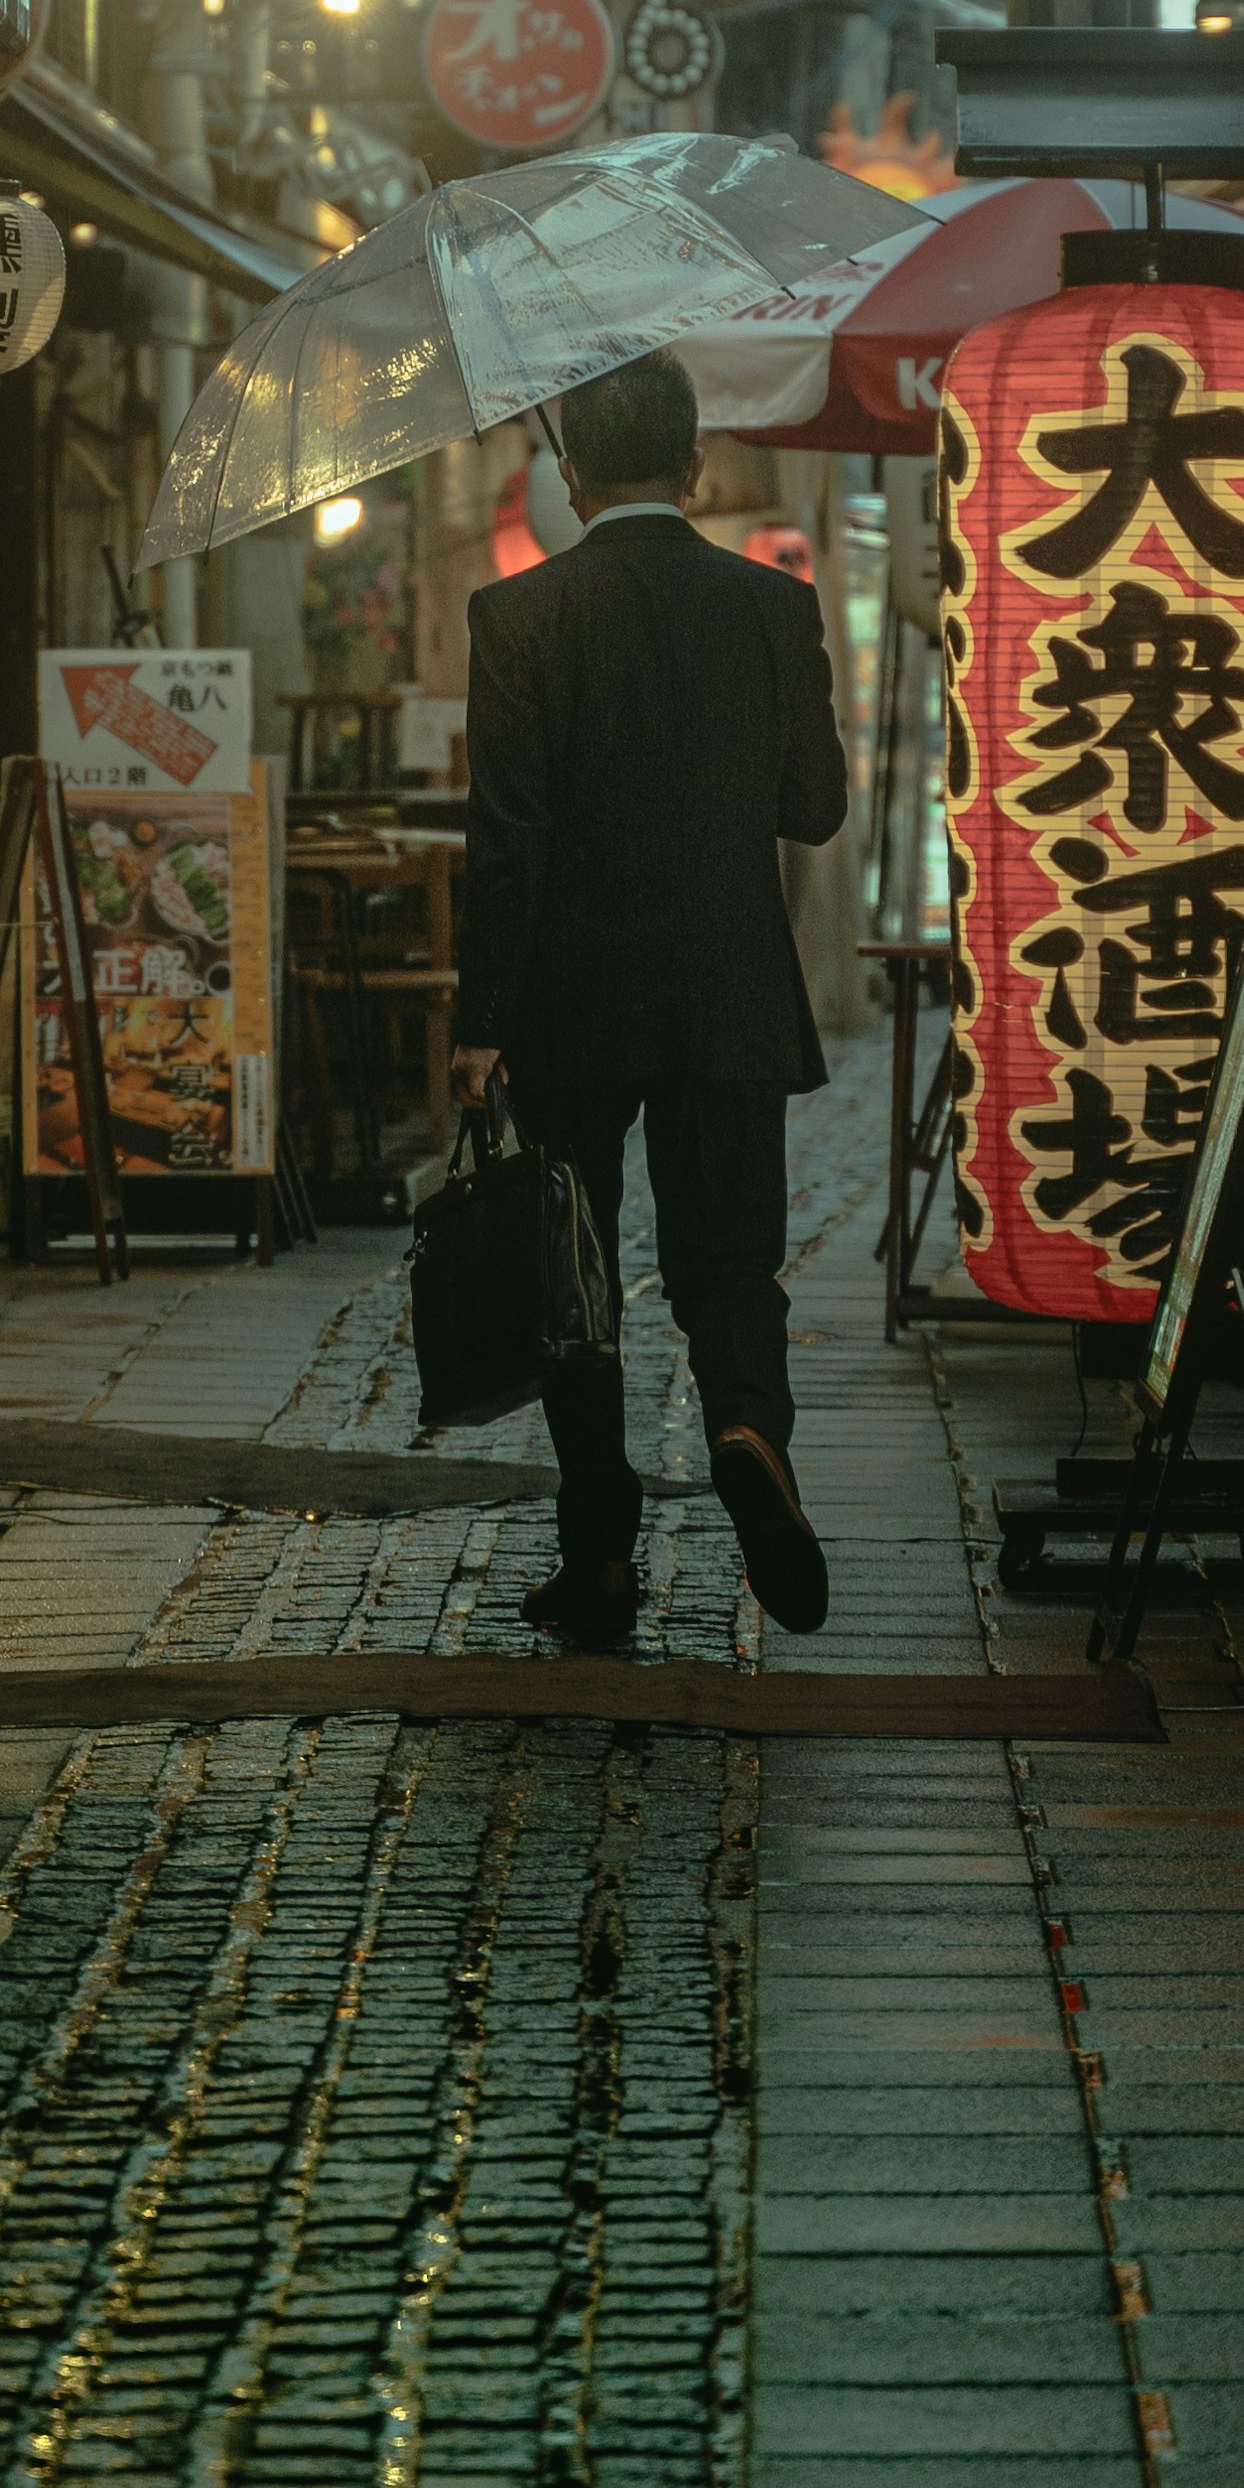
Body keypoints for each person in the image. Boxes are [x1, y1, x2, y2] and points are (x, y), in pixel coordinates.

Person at [449, 347, 850, 1643]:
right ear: (697, 465)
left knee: (574, 1272)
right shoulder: (772, 608)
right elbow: (817, 809)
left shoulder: (521, 619)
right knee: (730, 1260)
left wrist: (480, 1024)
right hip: (730, 989)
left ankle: (601, 1557)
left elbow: (505, 840)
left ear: (567, 475)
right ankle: (745, 1428)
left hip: (573, 1002)